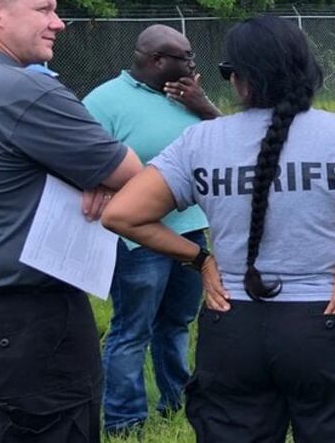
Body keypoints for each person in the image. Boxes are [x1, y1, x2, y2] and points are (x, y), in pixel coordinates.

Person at [102, 15, 335, 442]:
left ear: (238, 80)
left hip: (232, 322)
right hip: (329, 319)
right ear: (307, 70)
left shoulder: (200, 142)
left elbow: (121, 215)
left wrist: (201, 260)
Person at [0, 0, 141, 442]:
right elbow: (134, 175)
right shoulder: (23, 91)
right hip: (30, 325)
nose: (58, 22)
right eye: (44, 9)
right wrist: (97, 178)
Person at [83, 25, 221, 436]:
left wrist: (203, 104)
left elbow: (233, 142)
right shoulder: (103, 102)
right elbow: (83, 162)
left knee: (177, 323)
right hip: (136, 238)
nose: (193, 65)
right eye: (185, 57)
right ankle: (125, 421)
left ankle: (176, 402)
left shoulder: (188, 97)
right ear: (157, 60)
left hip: (190, 231)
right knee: (132, 329)